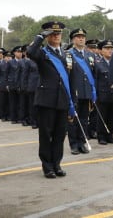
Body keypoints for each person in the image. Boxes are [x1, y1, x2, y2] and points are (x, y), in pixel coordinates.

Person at [26, 21, 70, 179]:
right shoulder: (42, 53)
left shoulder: (66, 54)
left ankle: (57, 164)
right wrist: (39, 37)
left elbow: (68, 80)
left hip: (63, 100)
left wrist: (73, 103)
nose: (56, 36)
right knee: (46, 134)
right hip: (47, 100)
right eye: (52, 34)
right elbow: (30, 52)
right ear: (47, 36)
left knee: (60, 135)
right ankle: (47, 166)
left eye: (58, 34)